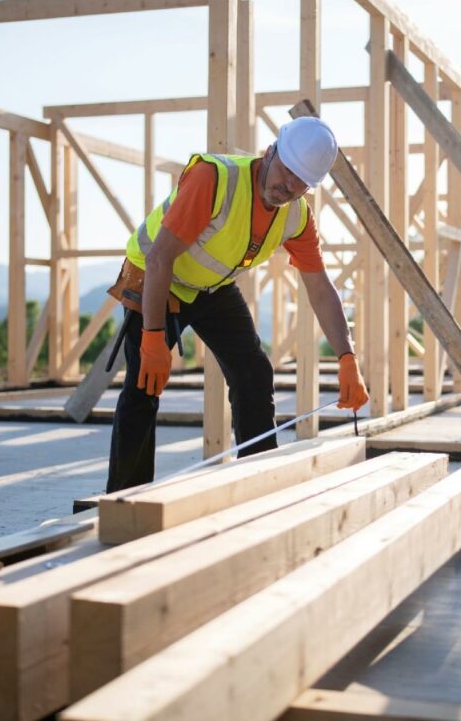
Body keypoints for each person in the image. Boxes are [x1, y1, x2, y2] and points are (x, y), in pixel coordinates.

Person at [105, 116, 370, 492]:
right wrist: (152, 336)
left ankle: (260, 484)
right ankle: (123, 500)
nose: (289, 187)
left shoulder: (296, 215)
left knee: (253, 373)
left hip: (211, 287)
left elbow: (320, 288)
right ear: (270, 152)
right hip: (158, 279)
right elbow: (160, 259)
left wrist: (347, 357)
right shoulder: (214, 180)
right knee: (145, 385)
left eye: (302, 183)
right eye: (287, 172)